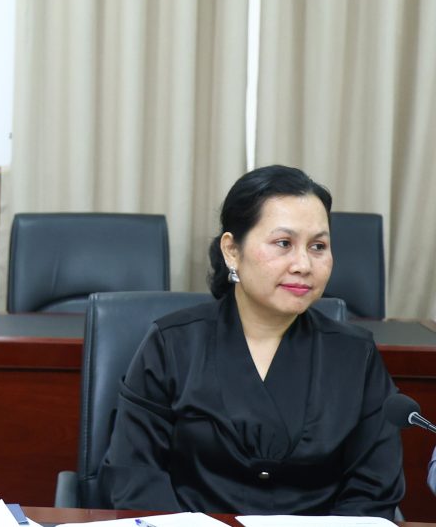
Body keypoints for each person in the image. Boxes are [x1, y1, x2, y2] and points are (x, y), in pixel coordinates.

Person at [98, 165, 404, 517]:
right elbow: (134, 474)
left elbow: (373, 489)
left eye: (318, 246)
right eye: (283, 244)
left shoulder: (355, 355)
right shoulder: (172, 345)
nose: (303, 264)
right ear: (232, 250)